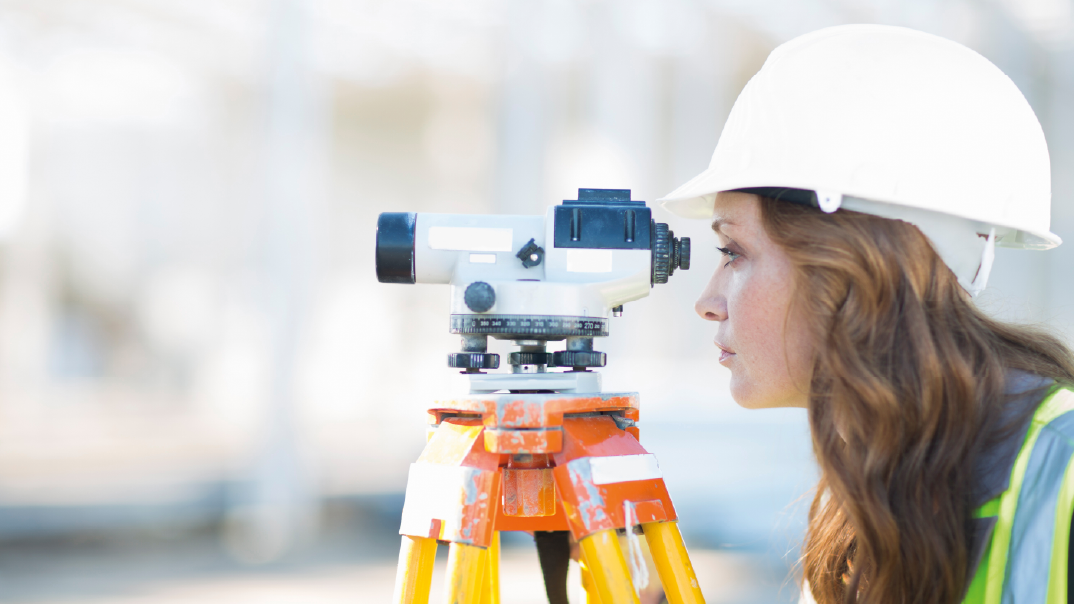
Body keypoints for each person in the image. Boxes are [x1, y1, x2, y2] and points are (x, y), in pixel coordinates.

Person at [659, 24, 1074, 604]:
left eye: (734, 252)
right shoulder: (870, 478)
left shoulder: (1063, 466)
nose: (707, 302)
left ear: (845, 266)